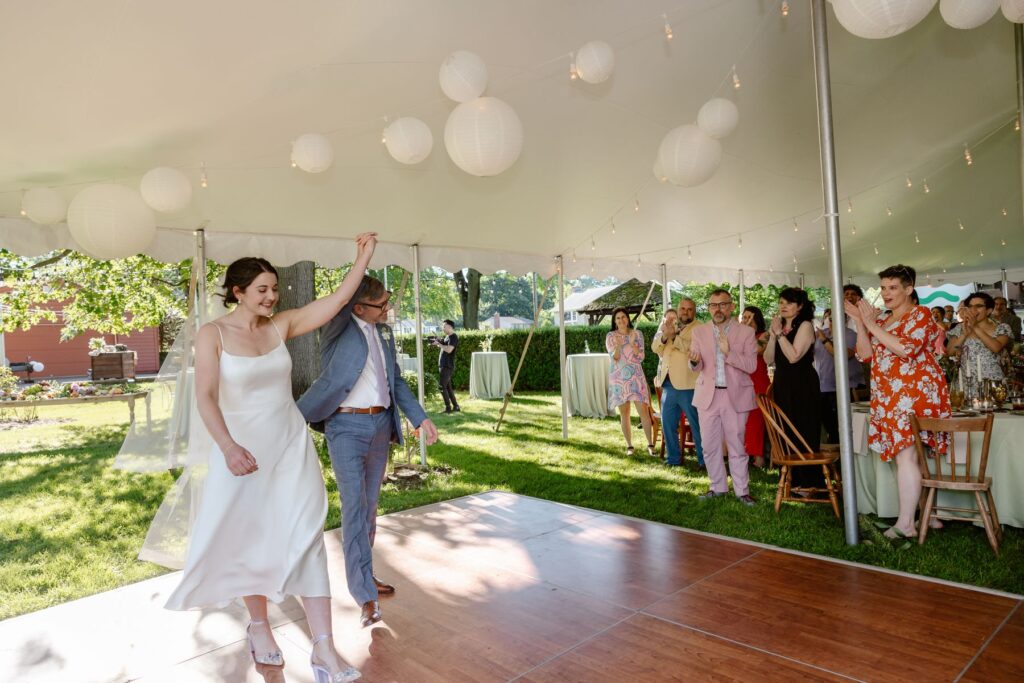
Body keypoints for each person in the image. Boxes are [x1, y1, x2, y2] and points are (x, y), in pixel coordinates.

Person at [162, 234, 376, 683]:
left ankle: (324, 652)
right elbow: (204, 397)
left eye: (274, 289)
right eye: (262, 289)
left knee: (308, 537)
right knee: (248, 541)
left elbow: (337, 302)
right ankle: (259, 626)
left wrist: (362, 260)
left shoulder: (282, 326)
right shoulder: (212, 334)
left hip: (289, 447)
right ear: (237, 292)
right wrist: (228, 447)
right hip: (239, 451)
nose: (272, 297)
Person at [297, 275, 439, 630]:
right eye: (381, 303)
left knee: (370, 507)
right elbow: (341, 301)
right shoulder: (337, 327)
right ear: (358, 306)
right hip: (345, 428)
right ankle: (365, 596)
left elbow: (396, 380)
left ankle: (365, 574)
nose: (387, 308)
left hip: (380, 427)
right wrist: (361, 263)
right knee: (355, 507)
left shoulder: (384, 333)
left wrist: (419, 418)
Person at [845, 264, 950, 540]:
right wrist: (860, 322)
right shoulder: (880, 319)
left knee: (907, 456)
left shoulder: (922, 315)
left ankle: (906, 524)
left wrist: (869, 324)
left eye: (893, 287)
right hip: (889, 394)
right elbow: (865, 356)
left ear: (908, 289)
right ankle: (931, 514)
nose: (886, 293)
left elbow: (906, 349)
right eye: (883, 288)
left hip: (914, 392)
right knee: (908, 457)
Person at [688, 289, 758, 505]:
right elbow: (696, 366)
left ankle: (742, 491)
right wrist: (693, 362)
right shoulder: (699, 332)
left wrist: (729, 353)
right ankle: (717, 487)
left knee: (736, 444)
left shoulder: (746, 332)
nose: (717, 309)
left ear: (731, 306)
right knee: (709, 445)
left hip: (735, 395)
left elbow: (752, 366)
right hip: (707, 396)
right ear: (709, 308)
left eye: (722, 304)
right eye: (713, 305)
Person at [764, 287, 821, 491]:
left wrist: (780, 334)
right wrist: (772, 336)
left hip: (803, 385)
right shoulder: (779, 329)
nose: (783, 306)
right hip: (782, 383)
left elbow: (794, 356)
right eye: (781, 302)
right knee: (785, 430)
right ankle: (791, 479)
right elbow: (768, 359)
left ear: (800, 306)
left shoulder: (805, 325)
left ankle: (808, 482)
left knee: (803, 430)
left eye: (788, 303)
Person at [652, 299, 704, 467]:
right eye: (683, 308)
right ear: (678, 310)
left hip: (689, 385)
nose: (685, 312)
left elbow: (693, 350)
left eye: (690, 309)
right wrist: (665, 336)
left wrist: (673, 338)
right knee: (668, 425)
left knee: (697, 426)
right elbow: (655, 347)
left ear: (694, 312)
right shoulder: (668, 323)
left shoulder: (699, 328)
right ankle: (673, 459)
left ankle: (705, 461)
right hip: (667, 383)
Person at [606, 307, 654, 456]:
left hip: (636, 378)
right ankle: (629, 446)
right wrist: (619, 345)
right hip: (619, 380)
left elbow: (640, 357)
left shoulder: (637, 334)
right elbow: (614, 358)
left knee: (644, 412)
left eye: (624, 317)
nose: (621, 320)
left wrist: (633, 344)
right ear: (615, 321)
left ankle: (650, 444)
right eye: (618, 318)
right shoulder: (611, 336)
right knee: (624, 413)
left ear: (628, 319)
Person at [814, 308, 858, 445]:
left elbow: (843, 355)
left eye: (836, 318)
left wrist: (824, 340)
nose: (832, 322)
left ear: (845, 320)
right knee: (824, 425)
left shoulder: (850, 334)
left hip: (840, 387)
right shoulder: (822, 333)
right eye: (829, 319)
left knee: (838, 427)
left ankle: (840, 461)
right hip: (820, 386)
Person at [946, 292, 1013, 382]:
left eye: (978, 306)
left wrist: (975, 327)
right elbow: (950, 352)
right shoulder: (960, 328)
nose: (973, 309)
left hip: (992, 380)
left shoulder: (1002, 327)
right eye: (970, 306)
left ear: (989, 310)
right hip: (967, 381)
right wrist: (964, 335)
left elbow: (996, 347)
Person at [740, 305, 770, 468]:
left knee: (755, 420)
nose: (747, 320)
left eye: (750, 317)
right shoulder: (739, 336)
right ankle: (744, 455)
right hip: (741, 381)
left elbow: (758, 349)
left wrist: (747, 331)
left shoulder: (764, 335)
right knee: (742, 420)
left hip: (758, 381)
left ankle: (759, 458)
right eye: (744, 317)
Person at [432, 319, 460, 413]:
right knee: (448, 387)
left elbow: (449, 350)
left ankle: (448, 407)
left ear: (449, 326)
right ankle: (456, 407)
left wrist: (439, 344)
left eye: (444, 326)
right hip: (443, 365)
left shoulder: (453, 337)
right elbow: (443, 345)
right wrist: (438, 341)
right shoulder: (447, 337)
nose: (443, 328)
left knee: (441, 386)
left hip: (447, 366)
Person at [653, 309, 678, 390]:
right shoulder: (660, 332)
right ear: (664, 320)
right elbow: (655, 349)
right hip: (666, 377)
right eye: (668, 318)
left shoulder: (682, 330)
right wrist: (664, 336)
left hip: (680, 377)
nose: (670, 321)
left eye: (673, 318)